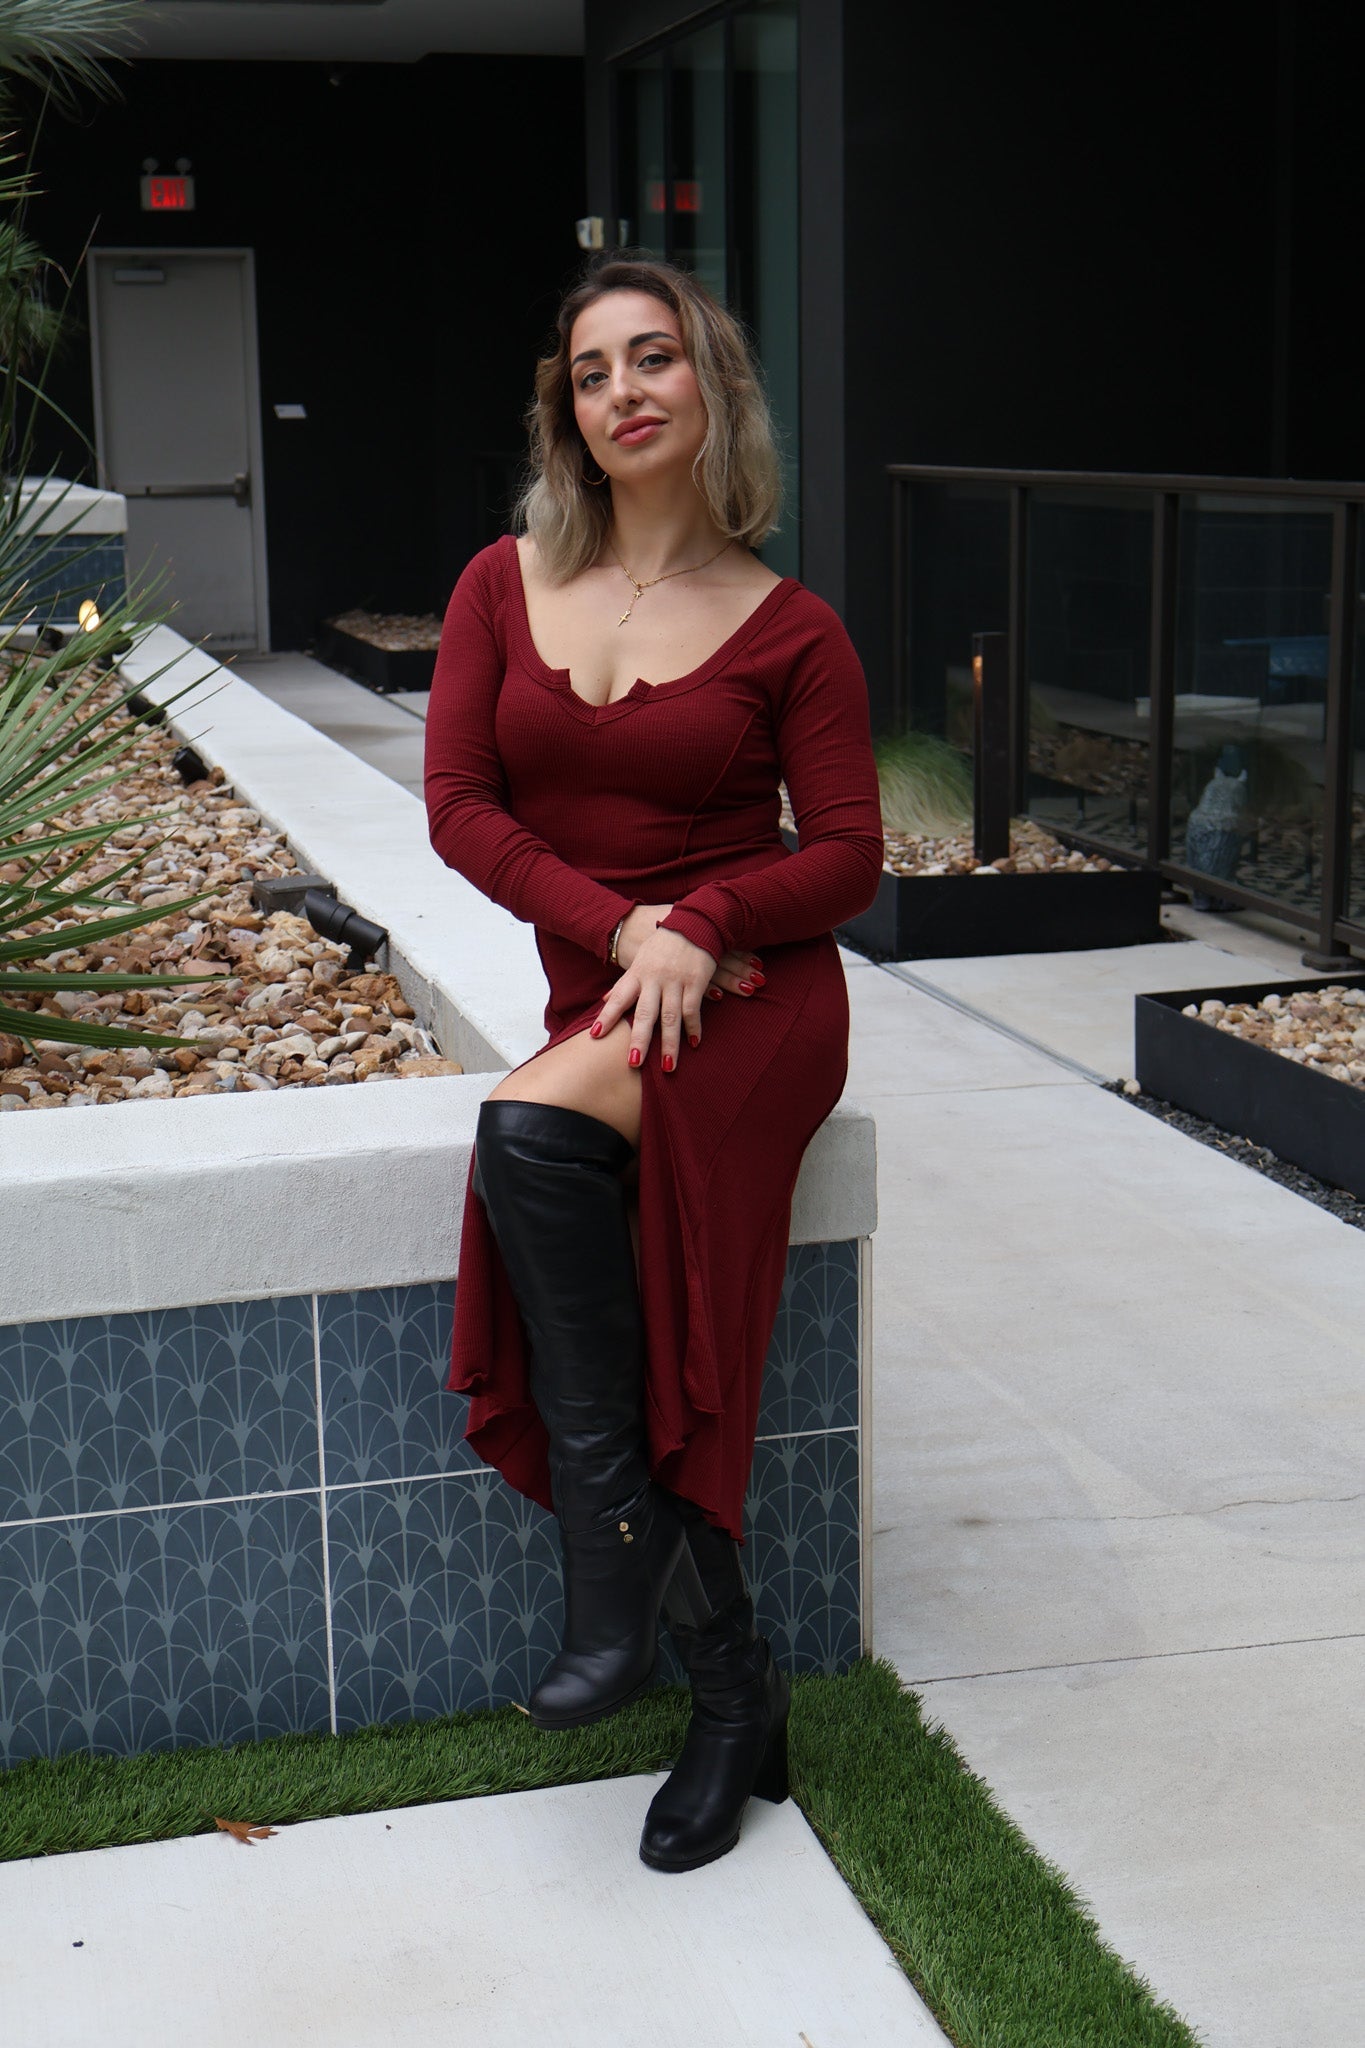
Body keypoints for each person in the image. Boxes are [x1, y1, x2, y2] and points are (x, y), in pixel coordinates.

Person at [423, 255, 883, 1872]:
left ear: (711, 388)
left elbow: (846, 857)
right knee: (553, 1163)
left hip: (754, 997)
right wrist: (627, 929)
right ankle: (729, 1680)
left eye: (653, 359)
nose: (622, 390)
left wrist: (703, 920)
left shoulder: (791, 628)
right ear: (567, 411)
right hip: (620, 988)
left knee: (530, 1140)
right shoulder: (501, 586)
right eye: (591, 370)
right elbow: (459, 809)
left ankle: (612, 1580)